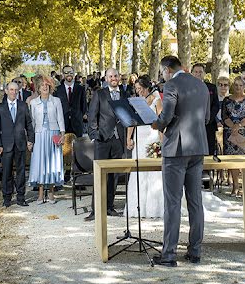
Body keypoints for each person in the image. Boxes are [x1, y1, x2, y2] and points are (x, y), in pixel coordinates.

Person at [150, 55, 210, 267]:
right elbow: (207, 118)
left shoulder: (172, 84)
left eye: (162, 71)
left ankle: (169, 254)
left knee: (173, 202)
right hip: (198, 148)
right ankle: (195, 252)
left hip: (176, 149)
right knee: (195, 202)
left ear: (167, 69)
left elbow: (166, 116)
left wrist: (156, 125)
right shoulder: (201, 85)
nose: (162, 75)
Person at [84, 68, 127, 221]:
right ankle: (96, 210)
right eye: (111, 76)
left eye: (116, 75)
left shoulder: (124, 94)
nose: (114, 78)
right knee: (99, 175)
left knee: (114, 176)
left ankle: (109, 207)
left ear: (119, 77)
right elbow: (92, 116)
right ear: (106, 78)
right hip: (102, 139)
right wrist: (95, 136)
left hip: (118, 140)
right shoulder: (99, 94)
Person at [126, 75, 164, 218]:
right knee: (138, 171)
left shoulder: (157, 100)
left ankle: (154, 208)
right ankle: (137, 207)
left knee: (154, 172)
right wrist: (129, 138)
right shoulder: (136, 102)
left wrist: (162, 141)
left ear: (147, 87)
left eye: (140, 88)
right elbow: (131, 121)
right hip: (139, 138)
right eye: (136, 89)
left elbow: (161, 122)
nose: (139, 91)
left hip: (152, 137)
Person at [0, 81, 34, 207]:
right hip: (5, 145)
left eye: (16, 90)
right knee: (6, 172)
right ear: (6, 91)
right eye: (11, 90)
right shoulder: (0, 108)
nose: (13, 92)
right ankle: (7, 198)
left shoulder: (23, 106)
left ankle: (21, 197)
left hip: (20, 143)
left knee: (21, 171)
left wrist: (30, 140)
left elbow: (29, 124)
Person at [28, 75, 66, 203]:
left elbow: (60, 118)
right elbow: (32, 122)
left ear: (50, 87)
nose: (45, 87)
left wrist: (62, 134)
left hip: (53, 135)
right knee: (40, 163)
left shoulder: (56, 101)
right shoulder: (33, 103)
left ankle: (50, 193)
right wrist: (30, 139)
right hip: (39, 135)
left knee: (52, 163)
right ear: (38, 88)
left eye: (47, 85)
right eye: (42, 85)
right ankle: (40, 194)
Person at [221, 75, 245, 196]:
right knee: (232, 161)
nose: (238, 87)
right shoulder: (227, 100)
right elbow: (224, 116)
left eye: (241, 85)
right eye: (236, 85)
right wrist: (233, 127)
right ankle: (235, 186)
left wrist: (239, 126)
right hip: (230, 134)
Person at [191, 63, 220, 156]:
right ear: (192, 73)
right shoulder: (187, 88)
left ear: (204, 74)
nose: (198, 74)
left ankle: (208, 170)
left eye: (200, 72)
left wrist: (209, 118)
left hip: (208, 125)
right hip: (192, 126)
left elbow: (216, 105)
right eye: (196, 72)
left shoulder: (211, 87)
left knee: (209, 150)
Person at [55, 65, 87, 138]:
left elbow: (84, 106)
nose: (69, 74)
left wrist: (83, 117)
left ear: (74, 73)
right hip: (62, 126)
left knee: (78, 148)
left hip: (77, 125)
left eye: (71, 72)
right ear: (63, 74)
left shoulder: (80, 89)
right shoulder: (57, 90)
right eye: (66, 72)